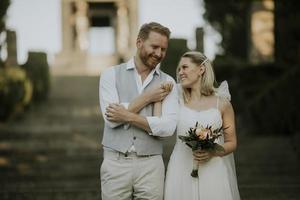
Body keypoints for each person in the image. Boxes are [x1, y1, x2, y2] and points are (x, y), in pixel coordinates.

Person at [99, 22, 178, 200]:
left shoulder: (169, 82)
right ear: (139, 42)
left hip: (152, 164)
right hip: (115, 162)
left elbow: (167, 128)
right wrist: (148, 97)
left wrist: (126, 115)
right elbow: (111, 119)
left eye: (163, 49)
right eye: (155, 46)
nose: (159, 54)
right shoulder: (110, 74)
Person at [164, 51, 240, 200]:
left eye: (185, 67)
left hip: (213, 169)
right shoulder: (175, 99)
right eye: (179, 69)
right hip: (180, 167)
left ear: (201, 69)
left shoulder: (222, 103)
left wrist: (212, 152)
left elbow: (232, 142)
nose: (180, 73)